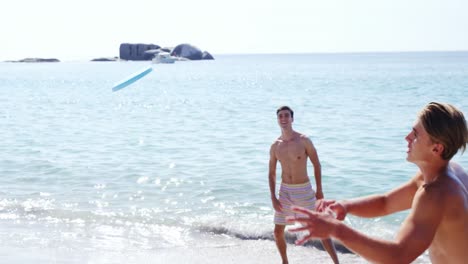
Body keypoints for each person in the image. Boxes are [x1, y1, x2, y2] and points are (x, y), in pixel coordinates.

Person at [287, 102, 468, 264]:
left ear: (436, 148)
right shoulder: (447, 172)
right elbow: (386, 203)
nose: (407, 138)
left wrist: (335, 230)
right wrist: (345, 206)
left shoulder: (436, 193)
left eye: (415, 134)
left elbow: (398, 256)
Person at [269, 105, 339, 264]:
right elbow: (271, 173)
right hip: (285, 191)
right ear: (277, 120)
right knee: (278, 230)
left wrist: (320, 190)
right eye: (280, 116)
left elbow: (317, 164)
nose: (284, 119)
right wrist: (273, 196)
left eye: (287, 116)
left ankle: (336, 262)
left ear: (292, 119)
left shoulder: (304, 140)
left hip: (304, 190)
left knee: (320, 228)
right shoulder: (275, 146)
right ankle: (285, 262)